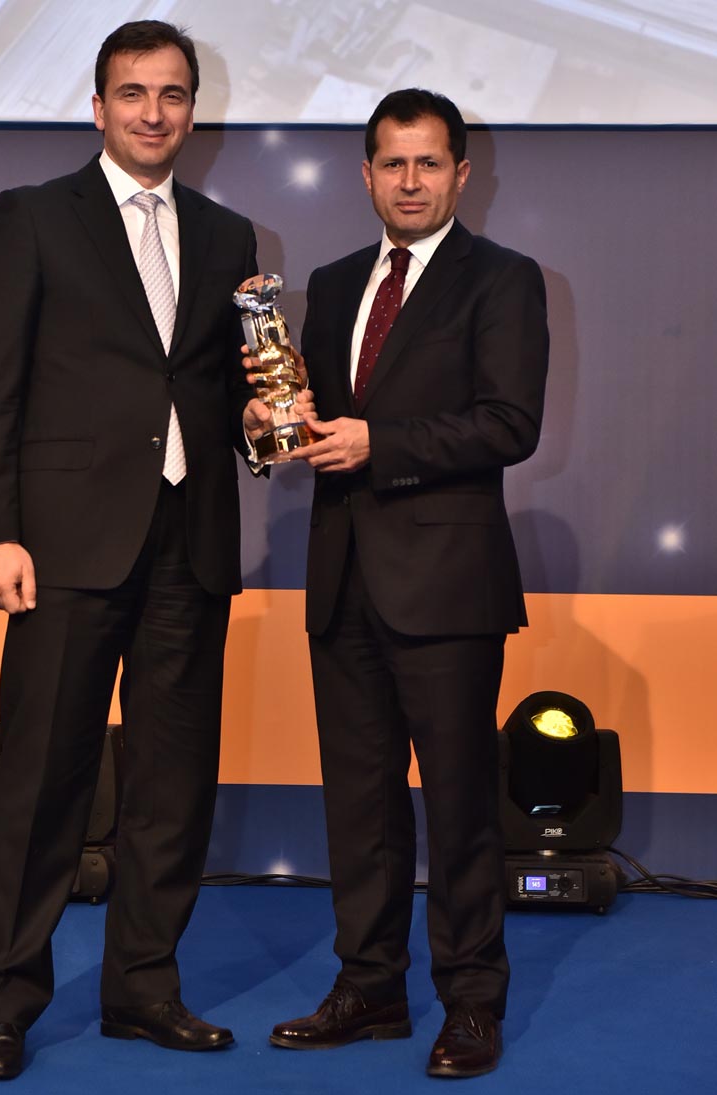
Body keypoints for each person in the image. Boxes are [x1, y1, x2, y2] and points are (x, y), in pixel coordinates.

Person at [0, 20, 284, 1081]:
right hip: (64, 547)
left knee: (171, 785)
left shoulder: (229, 235)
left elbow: (218, 389)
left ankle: (144, 989)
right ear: (98, 107)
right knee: (42, 783)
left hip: (191, 544)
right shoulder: (33, 216)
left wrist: (266, 422)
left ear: (194, 110)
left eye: (173, 93)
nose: (154, 112)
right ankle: (3, 1003)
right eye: (133, 93)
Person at [269, 88, 549, 1077]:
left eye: (430, 163)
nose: (411, 181)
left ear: (462, 175)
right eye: (393, 163)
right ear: (367, 175)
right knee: (361, 807)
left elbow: (511, 423)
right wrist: (272, 423)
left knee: (461, 805)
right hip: (343, 579)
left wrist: (379, 444)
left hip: (448, 585)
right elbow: (314, 417)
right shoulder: (334, 282)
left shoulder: (504, 279)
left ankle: (472, 1001)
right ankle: (370, 987)